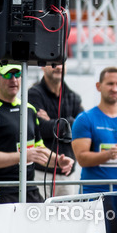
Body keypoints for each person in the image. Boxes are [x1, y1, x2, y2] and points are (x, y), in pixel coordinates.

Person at [0, 64, 72, 203]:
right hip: (1, 192)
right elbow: (29, 154)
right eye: (7, 75)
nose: (13, 80)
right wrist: (22, 156)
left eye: (18, 75)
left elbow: (38, 149)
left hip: (29, 189)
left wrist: (58, 160)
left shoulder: (28, 109)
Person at [71, 67, 117, 194]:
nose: (115, 89)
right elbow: (81, 159)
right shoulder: (85, 119)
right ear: (98, 86)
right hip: (92, 194)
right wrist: (107, 155)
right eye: (110, 84)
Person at [28, 63, 80, 196]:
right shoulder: (33, 94)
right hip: (40, 172)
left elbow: (80, 129)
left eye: (62, 63)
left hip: (67, 172)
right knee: (39, 215)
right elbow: (38, 129)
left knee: (67, 216)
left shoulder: (74, 97)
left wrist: (51, 120)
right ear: (42, 66)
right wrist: (68, 122)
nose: (58, 67)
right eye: (53, 63)